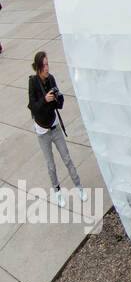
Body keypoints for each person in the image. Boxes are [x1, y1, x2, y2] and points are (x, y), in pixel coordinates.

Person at [27, 51, 86, 207]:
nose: (47, 68)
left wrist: (59, 97)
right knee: (51, 165)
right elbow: (33, 107)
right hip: (42, 132)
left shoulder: (51, 78)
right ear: (38, 67)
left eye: (48, 64)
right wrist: (45, 100)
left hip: (54, 126)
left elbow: (59, 105)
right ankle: (58, 192)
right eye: (44, 65)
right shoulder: (33, 82)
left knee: (67, 158)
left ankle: (78, 186)